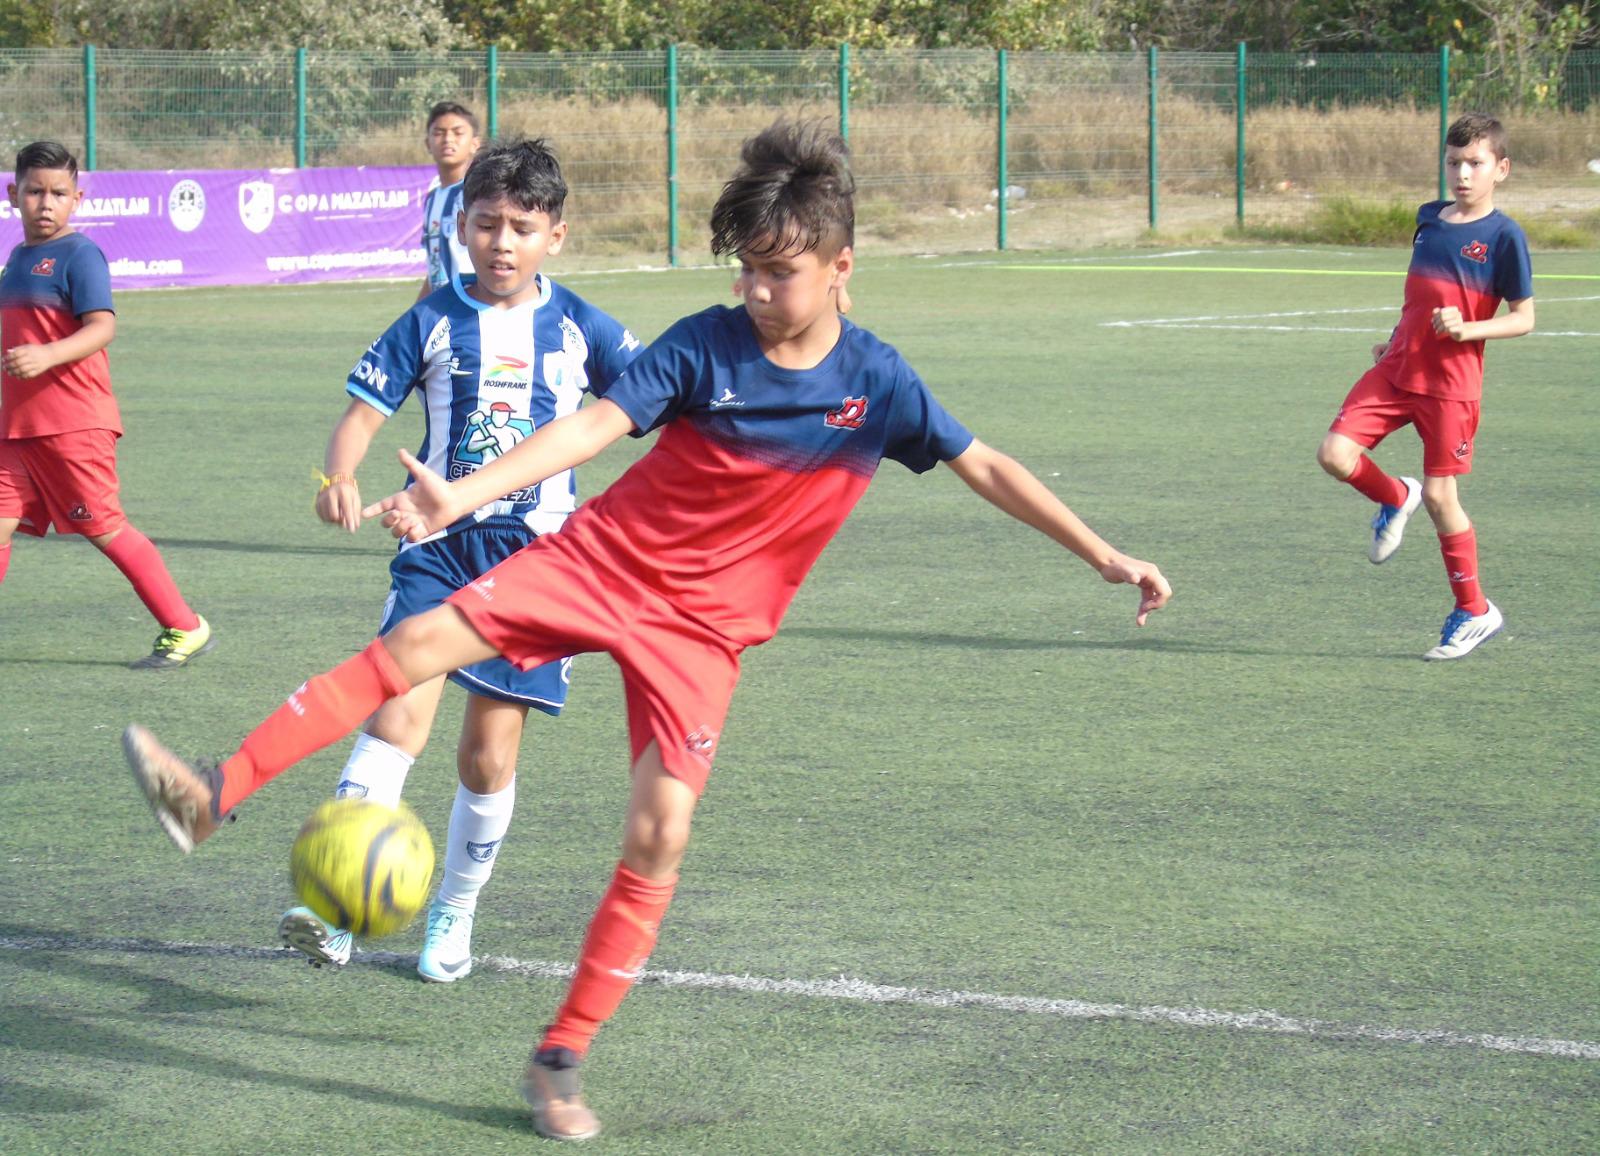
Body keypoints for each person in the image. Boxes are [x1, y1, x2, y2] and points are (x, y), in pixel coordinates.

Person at [122, 120, 1171, 1141]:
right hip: (597, 564)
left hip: (703, 636)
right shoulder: (705, 345)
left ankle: (560, 1055)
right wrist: (464, 495)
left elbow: (979, 459)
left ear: (842, 266)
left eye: (779, 273)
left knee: (658, 833)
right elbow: (592, 424)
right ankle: (216, 792)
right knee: (415, 648)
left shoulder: (876, 382)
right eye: (746, 271)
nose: (756, 293)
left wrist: (1100, 552)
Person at [282, 138, 643, 982]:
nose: (503, 242)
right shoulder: (433, 318)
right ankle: (337, 903)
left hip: (536, 562)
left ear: (556, 234)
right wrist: (339, 475)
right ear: (463, 227)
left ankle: (455, 908)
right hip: (439, 550)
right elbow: (362, 415)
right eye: (487, 224)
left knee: (486, 753)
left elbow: (654, 402)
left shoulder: (585, 326)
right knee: (395, 709)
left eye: (523, 226)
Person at [1316, 113, 1534, 661]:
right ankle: (1395, 496)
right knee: (1335, 455)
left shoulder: (1505, 237)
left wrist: (1470, 328)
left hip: (1451, 388)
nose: (1463, 174)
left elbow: (1524, 318)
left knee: (1443, 498)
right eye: (1454, 162)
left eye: (1476, 164)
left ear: (1500, 169)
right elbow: (1416, 297)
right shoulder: (1428, 219)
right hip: (1396, 370)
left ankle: (1475, 611)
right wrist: (1394, 338)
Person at [0, 141, 212, 669]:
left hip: (73, 424)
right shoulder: (17, 259)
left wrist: (47, 355)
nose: (45, 203)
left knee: (103, 528)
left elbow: (103, 326)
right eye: (34, 191)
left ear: (78, 199)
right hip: (18, 428)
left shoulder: (79, 254)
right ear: (13, 194)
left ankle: (184, 626)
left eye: (58, 193)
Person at [418, 101, 481, 301]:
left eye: (458, 132)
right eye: (439, 133)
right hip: (444, 308)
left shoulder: (480, 194)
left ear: (475, 143)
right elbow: (436, 266)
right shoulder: (432, 198)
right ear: (428, 143)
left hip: (472, 308)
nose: (448, 139)